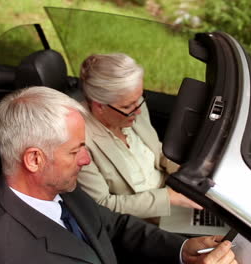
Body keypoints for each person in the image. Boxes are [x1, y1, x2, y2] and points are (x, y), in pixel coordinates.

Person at [0, 86, 237, 264]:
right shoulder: (12, 253)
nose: (86, 159)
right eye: (75, 151)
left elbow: (114, 225)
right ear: (35, 159)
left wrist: (182, 250)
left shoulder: (56, 188)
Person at [78, 53, 202, 219]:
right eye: (128, 105)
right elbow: (103, 204)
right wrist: (169, 198)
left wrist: (186, 176)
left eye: (139, 99)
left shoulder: (135, 107)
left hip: (173, 191)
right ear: (99, 106)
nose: (138, 110)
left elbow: (157, 151)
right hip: (141, 219)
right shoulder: (79, 140)